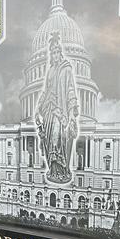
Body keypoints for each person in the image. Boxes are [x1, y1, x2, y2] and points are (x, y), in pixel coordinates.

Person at [35, 32, 80, 184]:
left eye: (56, 52)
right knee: (48, 142)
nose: (54, 55)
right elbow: (45, 91)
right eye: (52, 52)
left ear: (60, 53)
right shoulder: (50, 71)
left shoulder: (66, 69)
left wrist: (73, 111)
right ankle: (53, 171)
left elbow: (70, 89)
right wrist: (38, 108)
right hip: (48, 110)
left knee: (57, 141)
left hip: (60, 112)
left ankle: (62, 170)